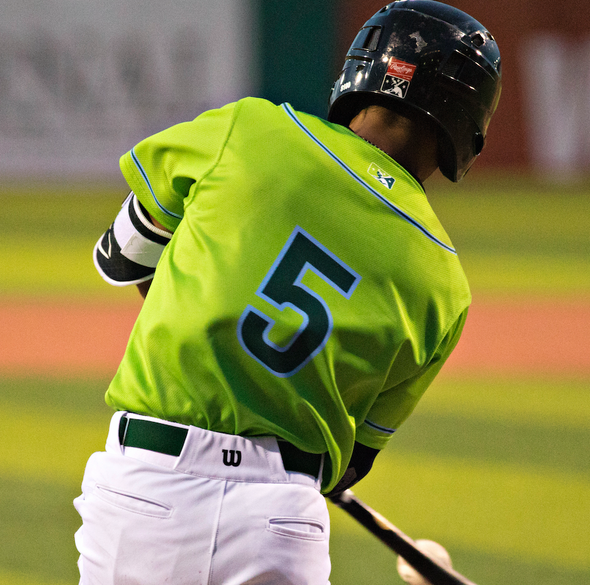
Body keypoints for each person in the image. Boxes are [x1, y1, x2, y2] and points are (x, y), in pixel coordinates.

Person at [74, 1, 502, 583]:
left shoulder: (250, 130)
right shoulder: (444, 285)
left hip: (149, 490)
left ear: (362, 70)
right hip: (283, 521)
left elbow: (120, 257)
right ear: (468, 125)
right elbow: (350, 467)